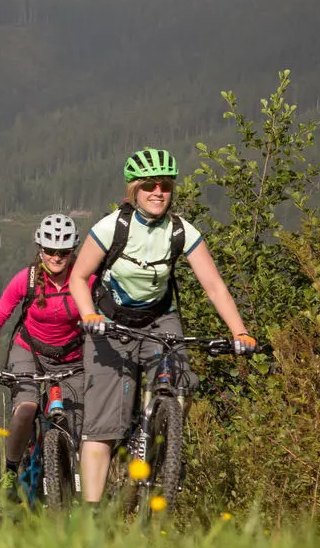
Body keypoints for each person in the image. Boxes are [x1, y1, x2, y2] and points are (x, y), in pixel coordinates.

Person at [66, 147, 258, 504]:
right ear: (134, 190)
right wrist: (89, 315)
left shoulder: (181, 231)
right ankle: (90, 516)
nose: (158, 192)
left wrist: (239, 331)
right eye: (150, 185)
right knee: (102, 427)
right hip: (111, 322)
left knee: (180, 386)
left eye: (165, 186)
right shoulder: (112, 227)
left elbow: (214, 286)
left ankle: (160, 450)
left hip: (160, 318)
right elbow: (78, 277)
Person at [0, 214, 89, 488]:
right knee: (26, 410)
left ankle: (71, 487)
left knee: (77, 426)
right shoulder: (27, 279)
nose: (56, 257)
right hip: (30, 352)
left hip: (73, 358)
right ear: (40, 249)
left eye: (64, 252)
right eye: (50, 250)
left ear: (73, 250)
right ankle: (11, 471)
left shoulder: (85, 279)